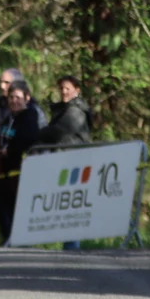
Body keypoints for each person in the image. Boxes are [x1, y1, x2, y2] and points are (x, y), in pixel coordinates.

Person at [37, 75, 93, 250]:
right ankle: (69, 246)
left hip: (73, 164)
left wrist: (38, 134)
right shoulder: (63, 110)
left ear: (77, 90)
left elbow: (59, 132)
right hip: (64, 162)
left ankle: (72, 247)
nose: (64, 92)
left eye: (67, 88)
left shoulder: (75, 111)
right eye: (61, 88)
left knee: (71, 207)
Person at [0, 80, 40, 244]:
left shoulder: (30, 116)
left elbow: (25, 142)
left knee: (15, 207)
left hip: (19, 172)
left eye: (17, 97)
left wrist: (1, 152)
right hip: (4, 171)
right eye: (11, 97)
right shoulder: (9, 117)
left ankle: (18, 240)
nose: (14, 101)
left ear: (26, 98)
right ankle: (9, 238)